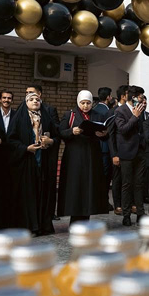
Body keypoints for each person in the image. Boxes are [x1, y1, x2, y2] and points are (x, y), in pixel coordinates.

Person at [9, 91, 58, 235]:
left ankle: (43, 225)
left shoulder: (46, 118)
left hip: (43, 161)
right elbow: (11, 140)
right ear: (26, 103)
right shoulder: (19, 119)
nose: (35, 101)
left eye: (37, 99)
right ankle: (29, 226)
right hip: (26, 163)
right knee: (28, 194)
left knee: (43, 193)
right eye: (31, 99)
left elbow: (57, 136)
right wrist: (25, 148)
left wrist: (50, 141)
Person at [57, 90, 109, 223]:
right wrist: (71, 131)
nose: (85, 106)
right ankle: (74, 220)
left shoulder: (97, 115)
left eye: (88, 103)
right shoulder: (70, 114)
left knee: (89, 188)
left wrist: (103, 135)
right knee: (76, 187)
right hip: (75, 156)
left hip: (92, 156)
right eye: (83, 103)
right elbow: (61, 132)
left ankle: (86, 218)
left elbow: (105, 133)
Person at [114, 86, 147, 226]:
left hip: (141, 152)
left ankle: (140, 213)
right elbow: (123, 130)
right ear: (133, 97)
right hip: (127, 152)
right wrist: (135, 117)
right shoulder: (120, 111)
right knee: (127, 184)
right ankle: (126, 215)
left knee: (139, 184)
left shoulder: (141, 110)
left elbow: (143, 129)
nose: (142, 100)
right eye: (140, 97)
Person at [0, 90, 17, 228]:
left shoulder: (17, 115)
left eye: (9, 98)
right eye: (4, 98)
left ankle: (11, 221)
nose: (7, 100)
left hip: (13, 156)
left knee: (11, 190)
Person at [107, 85, 128, 216]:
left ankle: (128, 204)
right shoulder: (113, 111)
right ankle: (118, 205)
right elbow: (111, 135)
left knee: (129, 180)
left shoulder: (133, 111)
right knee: (117, 179)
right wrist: (114, 154)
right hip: (118, 152)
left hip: (131, 152)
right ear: (123, 96)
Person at [93, 87, 115, 209]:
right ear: (108, 97)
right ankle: (103, 201)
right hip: (105, 147)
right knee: (105, 177)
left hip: (97, 147)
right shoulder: (107, 111)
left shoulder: (95, 108)